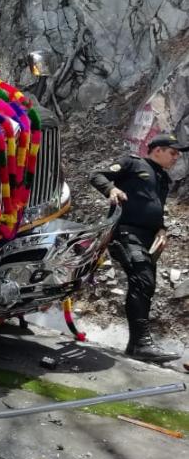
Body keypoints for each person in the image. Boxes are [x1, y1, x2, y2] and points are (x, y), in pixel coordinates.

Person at [89, 134, 185, 363]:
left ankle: (136, 345)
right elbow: (96, 174)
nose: (175, 158)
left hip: (148, 238)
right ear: (158, 150)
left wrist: (162, 229)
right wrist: (111, 190)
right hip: (125, 231)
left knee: (146, 284)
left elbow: (155, 207)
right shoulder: (132, 163)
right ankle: (142, 344)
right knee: (142, 279)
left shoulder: (163, 178)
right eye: (173, 153)